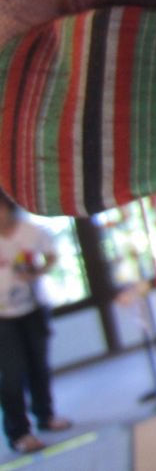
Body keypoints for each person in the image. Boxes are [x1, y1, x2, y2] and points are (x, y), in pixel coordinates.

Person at [0, 191, 71, 453]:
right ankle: (19, 432)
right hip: (3, 317)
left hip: (32, 308)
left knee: (38, 366)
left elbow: (52, 255)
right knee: (11, 374)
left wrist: (38, 271)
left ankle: (45, 415)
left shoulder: (30, 231)